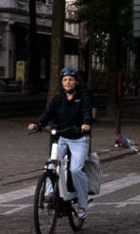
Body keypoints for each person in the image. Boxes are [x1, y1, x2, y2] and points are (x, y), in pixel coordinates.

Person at [29, 67, 94, 219]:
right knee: (52, 163)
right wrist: (37, 124)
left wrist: (85, 123)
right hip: (62, 137)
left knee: (76, 169)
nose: (68, 82)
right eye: (65, 80)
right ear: (61, 83)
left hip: (79, 139)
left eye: (71, 79)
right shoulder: (58, 99)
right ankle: (49, 191)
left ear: (76, 82)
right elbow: (47, 113)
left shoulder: (83, 97)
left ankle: (83, 204)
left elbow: (86, 112)